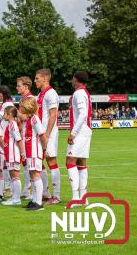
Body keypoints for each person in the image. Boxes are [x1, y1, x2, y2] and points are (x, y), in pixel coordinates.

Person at [34, 69, 61, 205]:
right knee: (39, 162)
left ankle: (56, 196)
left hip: (47, 134)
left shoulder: (51, 93)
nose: (35, 80)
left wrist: (47, 134)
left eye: (37, 78)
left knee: (51, 161)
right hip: (41, 133)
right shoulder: (40, 94)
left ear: (45, 79)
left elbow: (53, 115)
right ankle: (45, 192)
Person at [66, 71, 92, 206]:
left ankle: (76, 198)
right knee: (81, 163)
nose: (72, 80)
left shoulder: (78, 93)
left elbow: (83, 114)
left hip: (80, 132)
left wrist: (73, 133)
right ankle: (83, 197)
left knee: (70, 162)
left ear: (75, 79)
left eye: (72, 78)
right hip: (85, 131)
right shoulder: (84, 92)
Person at [20, 97, 48, 211]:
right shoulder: (29, 119)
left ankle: (39, 202)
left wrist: (44, 149)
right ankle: (34, 200)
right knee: (32, 175)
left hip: (34, 151)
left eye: (22, 106)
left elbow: (42, 134)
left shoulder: (35, 119)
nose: (20, 108)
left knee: (36, 175)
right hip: (29, 151)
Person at [0, 106, 25, 206]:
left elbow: (18, 140)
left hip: (13, 153)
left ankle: (17, 198)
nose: (3, 116)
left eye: (5, 113)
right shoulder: (10, 124)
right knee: (12, 176)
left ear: (9, 114)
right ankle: (14, 197)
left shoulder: (13, 125)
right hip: (9, 153)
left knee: (15, 176)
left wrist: (22, 153)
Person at [16, 76, 34, 200]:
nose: (17, 87)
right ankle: (27, 189)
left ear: (26, 87)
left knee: (30, 164)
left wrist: (15, 113)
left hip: (29, 134)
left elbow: (26, 117)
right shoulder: (23, 99)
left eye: (19, 85)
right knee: (25, 163)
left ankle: (32, 191)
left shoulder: (30, 100)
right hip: (23, 133)